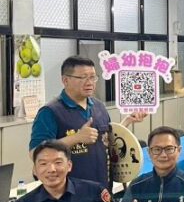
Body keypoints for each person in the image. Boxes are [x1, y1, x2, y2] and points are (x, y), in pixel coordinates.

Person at [30, 55, 145, 187]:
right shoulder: (50, 112)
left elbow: (106, 139)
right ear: (65, 80)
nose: (90, 82)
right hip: (70, 192)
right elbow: (35, 152)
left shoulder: (99, 106)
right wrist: (76, 138)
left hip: (103, 189)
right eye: (83, 77)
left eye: (92, 77)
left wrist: (127, 121)